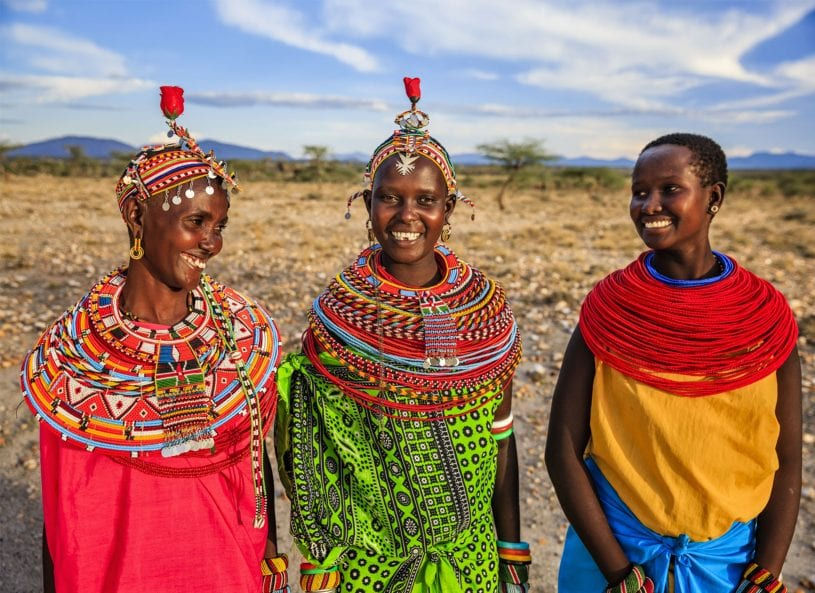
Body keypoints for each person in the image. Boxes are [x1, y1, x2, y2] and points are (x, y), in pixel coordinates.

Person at [21, 86, 290, 593]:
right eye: (196, 222)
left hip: (226, 576)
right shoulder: (70, 359)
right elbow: (64, 513)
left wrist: (271, 565)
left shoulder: (241, 335)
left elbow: (257, 471)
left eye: (220, 225)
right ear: (137, 217)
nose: (212, 243)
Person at [274, 77, 529, 593]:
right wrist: (323, 560)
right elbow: (312, 453)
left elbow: (502, 440)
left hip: (471, 562)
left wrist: (511, 554)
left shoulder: (486, 314)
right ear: (368, 206)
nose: (407, 215)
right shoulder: (337, 319)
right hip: (368, 570)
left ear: (448, 210)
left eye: (425, 200)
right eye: (390, 198)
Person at [545, 133, 801, 593]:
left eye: (669, 189)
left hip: (728, 568)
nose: (649, 205)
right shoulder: (609, 310)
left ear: (714, 198)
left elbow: (786, 457)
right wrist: (619, 573)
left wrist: (767, 571)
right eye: (639, 192)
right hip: (614, 557)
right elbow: (562, 450)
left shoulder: (764, 318)